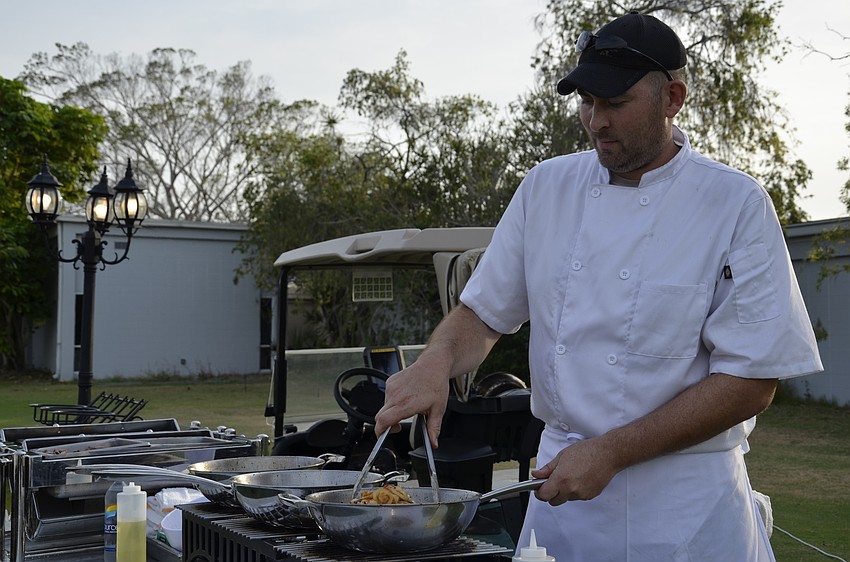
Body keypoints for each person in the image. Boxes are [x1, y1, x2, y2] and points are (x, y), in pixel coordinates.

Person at [374, 10, 823, 562]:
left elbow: (751, 381)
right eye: (587, 101)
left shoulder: (735, 204)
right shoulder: (546, 187)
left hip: (685, 512)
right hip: (562, 499)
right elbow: (484, 313)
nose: (595, 120)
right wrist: (436, 361)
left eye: (614, 103)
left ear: (672, 98)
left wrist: (611, 451)